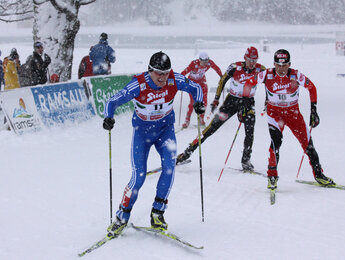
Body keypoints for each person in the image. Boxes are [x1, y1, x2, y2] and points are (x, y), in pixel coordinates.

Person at [102, 51, 205, 239]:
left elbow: (196, 88)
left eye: (166, 73)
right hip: (142, 134)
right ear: (150, 71)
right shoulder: (139, 84)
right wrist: (108, 117)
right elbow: (112, 101)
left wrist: (199, 103)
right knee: (139, 177)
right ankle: (122, 216)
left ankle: (157, 213)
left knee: (169, 169)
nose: (163, 77)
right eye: (159, 73)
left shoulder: (174, 79)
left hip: (165, 132)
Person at [241, 49, 335, 190]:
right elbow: (248, 83)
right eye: (278, 65)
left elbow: (312, 87)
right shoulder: (267, 74)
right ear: (274, 64)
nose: (281, 68)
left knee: (308, 145)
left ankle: (319, 175)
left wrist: (313, 110)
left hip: (293, 114)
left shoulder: (295, 75)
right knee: (275, 142)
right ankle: (272, 175)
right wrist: (246, 103)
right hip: (275, 114)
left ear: (289, 64)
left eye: (284, 65)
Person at [176, 47, 266, 171]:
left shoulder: (261, 70)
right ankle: (187, 152)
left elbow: (270, 83)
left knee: (250, 130)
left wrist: (268, 99)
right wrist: (216, 99)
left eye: (254, 60)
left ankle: (246, 160)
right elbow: (223, 80)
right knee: (211, 129)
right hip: (232, 101)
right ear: (245, 58)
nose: (252, 63)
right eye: (250, 60)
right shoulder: (235, 67)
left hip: (248, 102)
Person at [181, 52, 222, 127]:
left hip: (201, 81)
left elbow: (217, 68)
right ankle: (187, 120)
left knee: (204, 101)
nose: (205, 63)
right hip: (192, 82)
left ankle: (201, 119)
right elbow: (185, 71)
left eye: (206, 61)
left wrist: (221, 76)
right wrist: (180, 79)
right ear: (200, 60)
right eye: (203, 62)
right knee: (193, 102)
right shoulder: (194, 64)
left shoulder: (209, 63)